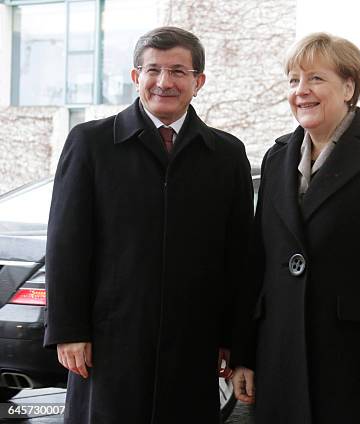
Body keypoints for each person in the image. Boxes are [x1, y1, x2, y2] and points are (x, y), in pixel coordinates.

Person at [44, 26, 252, 423]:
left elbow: (238, 255)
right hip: (110, 342)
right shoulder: (91, 143)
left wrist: (233, 339)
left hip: (193, 343)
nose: (164, 82)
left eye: (178, 71)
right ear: (136, 76)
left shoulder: (226, 154)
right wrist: (69, 328)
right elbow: (66, 243)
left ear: (198, 81)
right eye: (153, 70)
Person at [231, 33, 360, 423]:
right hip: (280, 354)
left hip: (359, 356)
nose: (301, 91)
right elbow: (257, 263)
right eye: (293, 81)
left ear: (349, 86)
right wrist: (245, 354)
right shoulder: (276, 157)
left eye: (315, 79)